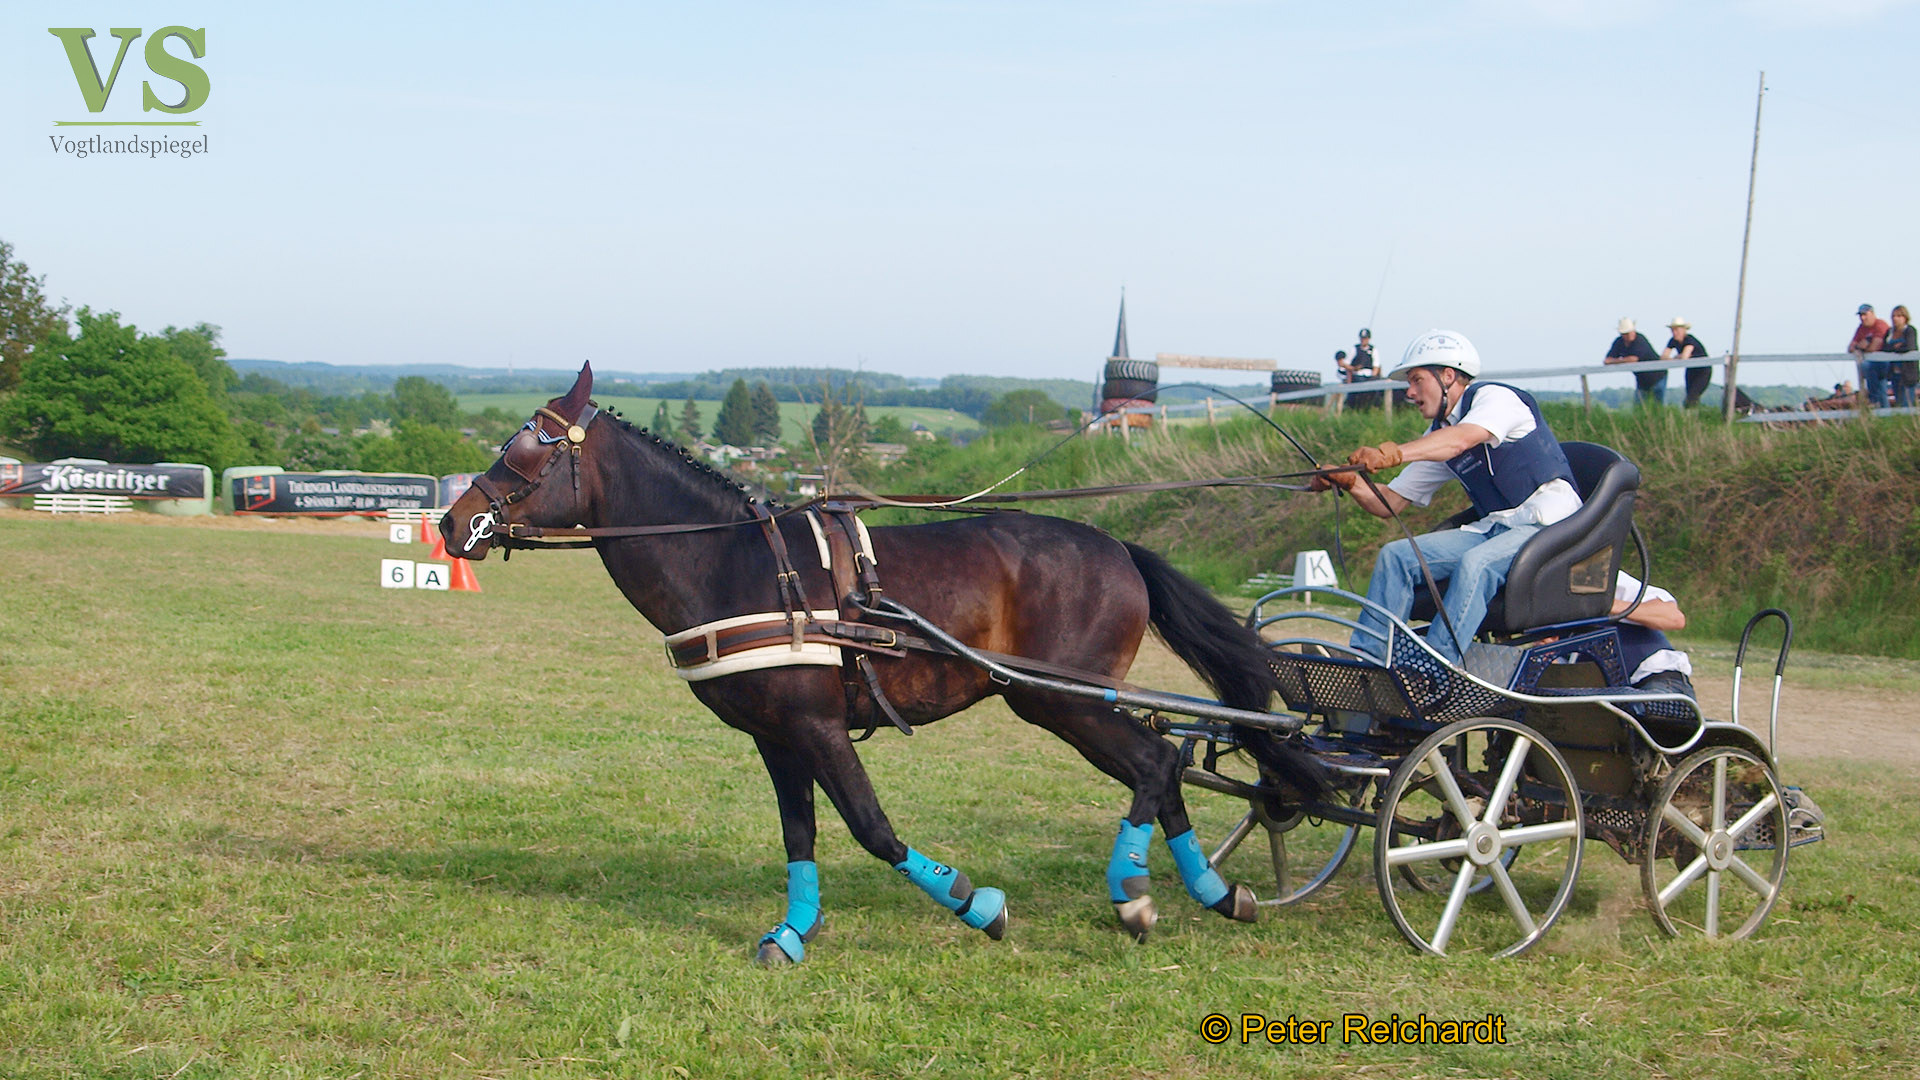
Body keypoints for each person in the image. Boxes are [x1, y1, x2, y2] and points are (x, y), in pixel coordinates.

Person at [1312, 330, 1582, 664]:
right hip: (1497, 529)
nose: (1410, 392)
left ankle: (1435, 667)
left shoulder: (1495, 399)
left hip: (1549, 526)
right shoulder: (1439, 436)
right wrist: (1350, 482)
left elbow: (1461, 440)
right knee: (1396, 557)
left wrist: (1392, 453)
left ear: (1448, 376)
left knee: (1476, 564)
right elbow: (1391, 502)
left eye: (1416, 380)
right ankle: (1369, 660)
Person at [1604, 317, 1664, 405]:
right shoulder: (1619, 342)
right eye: (1626, 333)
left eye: (1631, 331)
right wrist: (1621, 360)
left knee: (1657, 406)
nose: (1630, 334)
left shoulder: (1640, 340)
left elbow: (1633, 359)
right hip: (1641, 380)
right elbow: (1607, 360)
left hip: (1657, 376)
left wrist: (1616, 360)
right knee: (1639, 407)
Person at [1660, 317, 1713, 408]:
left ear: (1684, 330)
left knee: (1693, 395)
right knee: (1690, 394)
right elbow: (1663, 357)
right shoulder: (1673, 341)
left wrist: (1675, 357)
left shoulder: (1689, 340)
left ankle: (1693, 414)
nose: (1674, 332)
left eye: (1677, 329)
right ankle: (1693, 415)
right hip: (1691, 370)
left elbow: (1685, 357)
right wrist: (1676, 357)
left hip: (1703, 371)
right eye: (1673, 330)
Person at [1848, 303, 1891, 407]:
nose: (1862, 318)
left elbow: (1874, 347)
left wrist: (1864, 346)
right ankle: (1882, 410)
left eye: (1865, 314)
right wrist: (1861, 345)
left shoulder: (1880, 324)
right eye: (1860, 315)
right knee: (1881, 389)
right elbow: (1850, 348)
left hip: (1885, 363)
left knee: (1866, 366)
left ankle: (1873, 399)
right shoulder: (1861, 328)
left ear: (1872, 313)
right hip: (1873, 366)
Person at [1878, 304, 1917, 408]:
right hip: (1894, 373)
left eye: (1899, 316)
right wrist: (1896, 347)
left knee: (1907, 403)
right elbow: (1884, 348)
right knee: (1899, 402)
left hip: (1908, 374)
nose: (1895, 319)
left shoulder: (1909, 330)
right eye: (1894, 316)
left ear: (1905, 318)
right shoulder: (1890, 332)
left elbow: (1910, 346)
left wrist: (1896, 348)